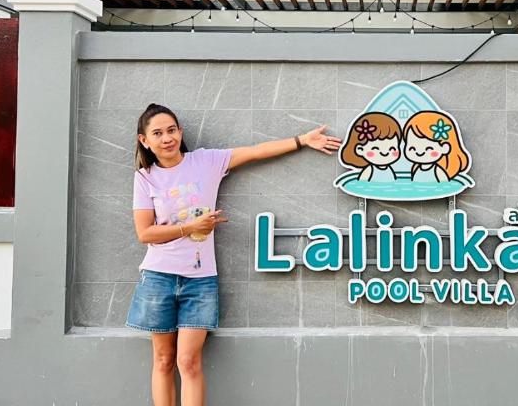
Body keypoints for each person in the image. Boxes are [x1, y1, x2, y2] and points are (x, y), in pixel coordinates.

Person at [125, 103, 340, 406]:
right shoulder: (146, 177)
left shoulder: (206, 161)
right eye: (158, 133)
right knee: (163, 360)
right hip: (158, 277)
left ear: (180, 132)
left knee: (188, 361)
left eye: (171, 130)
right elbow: (145, 233)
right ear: (144, 140)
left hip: (200, 280)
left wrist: (302, 140)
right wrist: (190, 228)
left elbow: (255, 152)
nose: (167, 138)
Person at [402, 110, 470, 183]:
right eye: (412, 148)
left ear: (445, 148)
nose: (419, 152)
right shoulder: (416, 168)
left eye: (428, 148)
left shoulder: (438, 171)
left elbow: (444, 186)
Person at [339, 112, 402, 182]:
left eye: (392, 148)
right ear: (360, 149)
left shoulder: (389, 169)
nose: (385, 153)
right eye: (375, 148)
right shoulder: (369, 170)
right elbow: (362, 185)